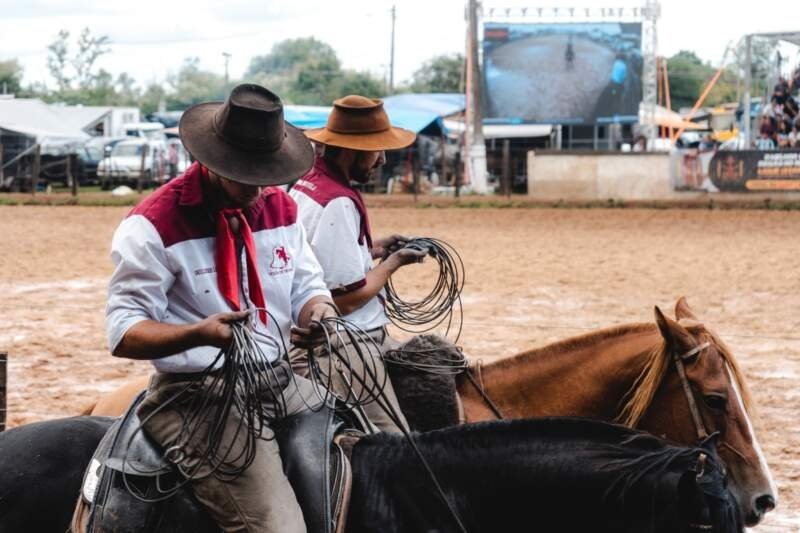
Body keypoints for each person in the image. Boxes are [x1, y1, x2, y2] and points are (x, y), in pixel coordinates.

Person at [105, 83, 337, 533]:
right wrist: (198, 332)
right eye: (245, 175)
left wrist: (319, 316)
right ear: (210, 163)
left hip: (280, 378)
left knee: (370, 456)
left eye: (266, 174)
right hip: (196, 397)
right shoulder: (154, 224)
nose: (258, 188)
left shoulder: (282, 209)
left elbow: (309, 286)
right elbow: (123, 330)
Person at [288, 95, 425, 433]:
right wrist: (394, 262)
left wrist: (375, 249)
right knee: (395, 442)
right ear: (353, 150)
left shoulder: (310, 184)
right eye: (377, 149)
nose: (381, 159)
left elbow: (321, 259)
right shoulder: (336, 202)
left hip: (342, 335)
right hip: (343, 343)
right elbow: (345, 301)